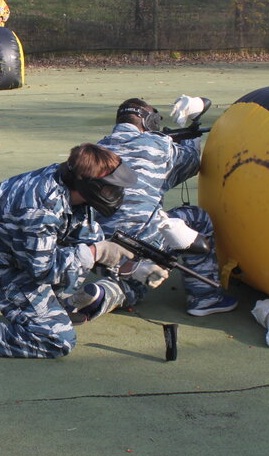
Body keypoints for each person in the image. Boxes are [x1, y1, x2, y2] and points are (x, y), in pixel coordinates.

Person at [0, 143, 138, 358]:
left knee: (87, 265)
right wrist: (96, 253)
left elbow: (86, 237)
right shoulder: (39, 206)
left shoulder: (72, 188)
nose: (115, 194)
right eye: (109, 188)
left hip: (27, 257)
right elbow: (43, 270)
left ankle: (52, 305)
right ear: (87, 183)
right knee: (58, 339)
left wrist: (132, 266)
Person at [94, 97, 238, 317]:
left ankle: (107, 292)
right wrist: (188, 132)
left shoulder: (97, 149)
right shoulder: (158, 144)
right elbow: (191, 163)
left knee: (133, 278)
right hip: (142, 242)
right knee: (196, 217)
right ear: (148, 121)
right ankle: (205, 298)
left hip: (99, 248)